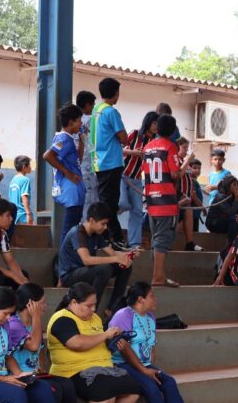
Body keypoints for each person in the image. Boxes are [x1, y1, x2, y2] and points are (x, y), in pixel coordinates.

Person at [46, 283, 142, 403]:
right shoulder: (62, 319)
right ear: (74, 303)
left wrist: (114, 339)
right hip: (72, 372)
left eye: (95, 304)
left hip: (104, 368)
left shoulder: (95, 318)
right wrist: (105, 334)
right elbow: (76, 343)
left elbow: (101, 340)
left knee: (134, 388)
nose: (93, 309)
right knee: (105, 390)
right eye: (89, 305)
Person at [112, 282, 207, 403]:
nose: (155, 299)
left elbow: (152, 346)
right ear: (141, 299)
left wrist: (150, 366)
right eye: (152, 295)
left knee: (168, 381)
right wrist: (144, 371)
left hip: (144, 364)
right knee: (151, 386)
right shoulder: (123, 315)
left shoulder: (150, 317)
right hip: (122, 364)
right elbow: (124, 349)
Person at [5, 283, 85, 403]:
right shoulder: (14, 324)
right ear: (30, 304)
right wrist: (36, 318)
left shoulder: (34, 324)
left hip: (35, 374)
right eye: (42, 302)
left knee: (68, 385)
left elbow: (40, 350)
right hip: (20, 376)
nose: (45, 306)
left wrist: (42, 368)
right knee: (53, 391)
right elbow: (33, 345)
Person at [57, 202, 134, 318]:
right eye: (103, 224)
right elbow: (86, 260)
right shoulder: (78, 233)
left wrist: (127, 255)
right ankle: (92, 312)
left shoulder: (96, 234)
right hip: (70, 275)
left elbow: (112, 253)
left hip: (87, 272)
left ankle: (113, 308)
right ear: (92, 220)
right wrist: (116, 258)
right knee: (105, 269)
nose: (105, 227)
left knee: (125, 266)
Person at [143, 114, 182, 288]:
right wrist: (182, 171)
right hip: (166, 200)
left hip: (152, 199)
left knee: (156, 238)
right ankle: (158, 277)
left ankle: (160, 275)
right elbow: (174, 174)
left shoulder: (148, 147)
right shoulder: (170, 147)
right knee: (162, 239)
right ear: (173, 130)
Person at [89, 79, 129, 247]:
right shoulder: (111, 112)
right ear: (115, 93)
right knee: (109, 204)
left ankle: (109, 236)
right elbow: (123, 137)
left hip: (98, 162)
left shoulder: (96, 110)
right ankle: (112, 237)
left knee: (106, 201)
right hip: (111, 162)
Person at [45, 104, 87, 239]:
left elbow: (77, 160)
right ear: (70, 122)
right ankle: (63, 258)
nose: (81, 123)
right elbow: (47, 155)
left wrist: (82, 142)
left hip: (76, 190)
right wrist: (67, 173)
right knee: (70, 229)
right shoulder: (64, 138)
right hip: (71, 191)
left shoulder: (70, 139)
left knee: (73, 227)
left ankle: (66, 256)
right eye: (79, 120)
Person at [118, 112, 156, 251]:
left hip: (137, 179)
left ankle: (134, 244)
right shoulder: (134, 134)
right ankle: (109, 220)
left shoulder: (154, 142)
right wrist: (134, 152)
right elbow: (120, 150)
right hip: (122, 175)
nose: (156, 127)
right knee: (122, 203)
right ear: (148, 122)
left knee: (137, 211)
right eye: (154, 123)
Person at [76, 90, 99, 215]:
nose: (94, 107)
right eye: (93, 104)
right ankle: (87, 226)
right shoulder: (90, 120)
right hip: (87, 163)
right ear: (87, 105)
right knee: (90, 197)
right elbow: (92, 144)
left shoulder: (75, 120)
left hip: (77, 164)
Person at [9, 156, 33, 225]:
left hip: (13, 214)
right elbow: (24, 197)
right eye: (29, 165)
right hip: (23, 215)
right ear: (24, 167)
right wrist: (28, 214)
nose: (30, 167)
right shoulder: (25, 180)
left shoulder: (13, 180)